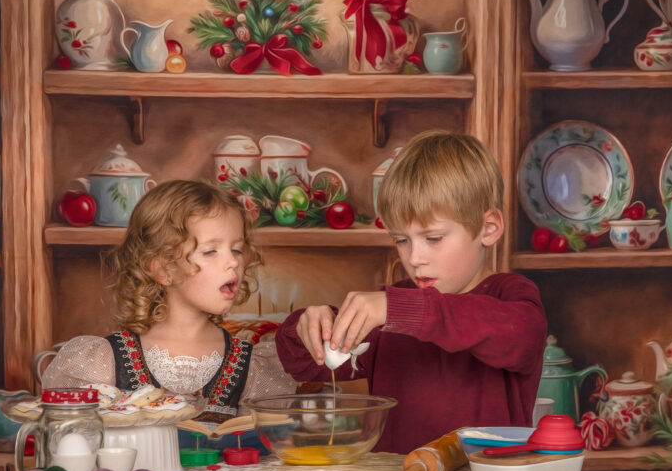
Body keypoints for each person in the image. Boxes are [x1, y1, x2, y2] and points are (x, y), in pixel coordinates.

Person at [275, 130, 547, 453]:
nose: (414, 258)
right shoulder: (390, 312)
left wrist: (399, 310)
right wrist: (306, 326)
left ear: (488, 229)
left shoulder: (512, 298)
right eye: (402, 240)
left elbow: (515, 334)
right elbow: (302, 364)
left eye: (433, 238)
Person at [41, 180, 295, 451]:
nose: (233, 261)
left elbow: (264, 457)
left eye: (236, 249)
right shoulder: (103, 361)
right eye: (210, 251)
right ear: (163, 270)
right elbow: (73, 448)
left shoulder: (252, 365)